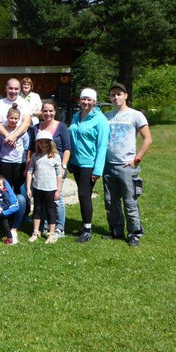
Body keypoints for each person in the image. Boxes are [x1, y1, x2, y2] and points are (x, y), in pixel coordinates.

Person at [103, 82, 153, 246]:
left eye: (119, 94)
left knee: (130, 202)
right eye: (112, 95)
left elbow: (148, 138)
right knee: (111, 202)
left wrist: (136, 159)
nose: (115, 97)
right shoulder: (107, 116)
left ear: (125, 95)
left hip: (127, 166)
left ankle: (135, 233)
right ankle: (116, 231)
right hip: (109, 166)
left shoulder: (136, 115)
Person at [68, 88, 109, 243]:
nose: (85, 102)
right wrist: (70, 160)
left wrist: (97, 170)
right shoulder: (76, 116)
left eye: (89, 99)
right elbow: (72, 139)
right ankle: (85, 226)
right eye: (83, 99)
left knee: (85, 195)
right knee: (82, 194)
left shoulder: (100, 120)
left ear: (95, 102)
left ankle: (87, 230)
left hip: (89, 164)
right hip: (76, 163)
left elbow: (102, 146)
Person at [26, 99, 70, 238]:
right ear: (41, 112)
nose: (48, 113)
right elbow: (31, 149)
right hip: (40, 168)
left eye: (51, 110)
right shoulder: (36, 128)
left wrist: (63, 165)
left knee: (56, 199)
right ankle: (43, 227)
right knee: (41, 200)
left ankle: (59, 228)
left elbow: (67, 148)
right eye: (45, 111)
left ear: (55, 111)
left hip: (56, 167)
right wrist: (28, 166)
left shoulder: (61, 127)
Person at [26, 130, 62, 244]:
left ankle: (51, 233)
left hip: (50, 189)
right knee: (37, 209)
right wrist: (28, 187)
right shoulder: (35, 156)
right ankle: (36, 231)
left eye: (46, 142)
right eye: (41, 142)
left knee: (50, 210)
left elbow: (59, 174)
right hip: (37, 187)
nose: (43, 145)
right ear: (38, 144)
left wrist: (58, 190)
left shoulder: (55, 157)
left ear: (50, 143)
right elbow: (30, 171)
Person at [0, 104, 30, 194]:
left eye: (16, 119)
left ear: (19, 119)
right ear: (7, 117)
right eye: (11, 118)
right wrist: (1, 157)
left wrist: (24, 161)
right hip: (5, 161)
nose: (13, 120)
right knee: (6, 186)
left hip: (18, 162)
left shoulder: (22, 132)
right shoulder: (2, 131)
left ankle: (21, 205)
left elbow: (26, 146)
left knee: (18, 187)